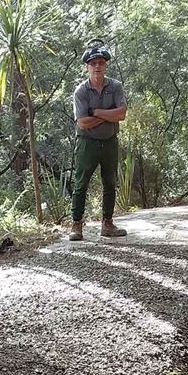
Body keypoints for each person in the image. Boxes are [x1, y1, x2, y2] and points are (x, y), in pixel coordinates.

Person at [69, 44, 128, 241]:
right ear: (87, 66)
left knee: (110, 183)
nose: (97, 67)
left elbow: (122, 113)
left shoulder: (116, 87)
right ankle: (76, 225)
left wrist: (98, 113)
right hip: (87, 143)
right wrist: (109, 115)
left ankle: (107, 224)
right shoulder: (81, 91)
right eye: (93, 63)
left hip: (110, 141)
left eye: (101, 63)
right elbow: (83, 123)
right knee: (81, 184)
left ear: (106, 65)